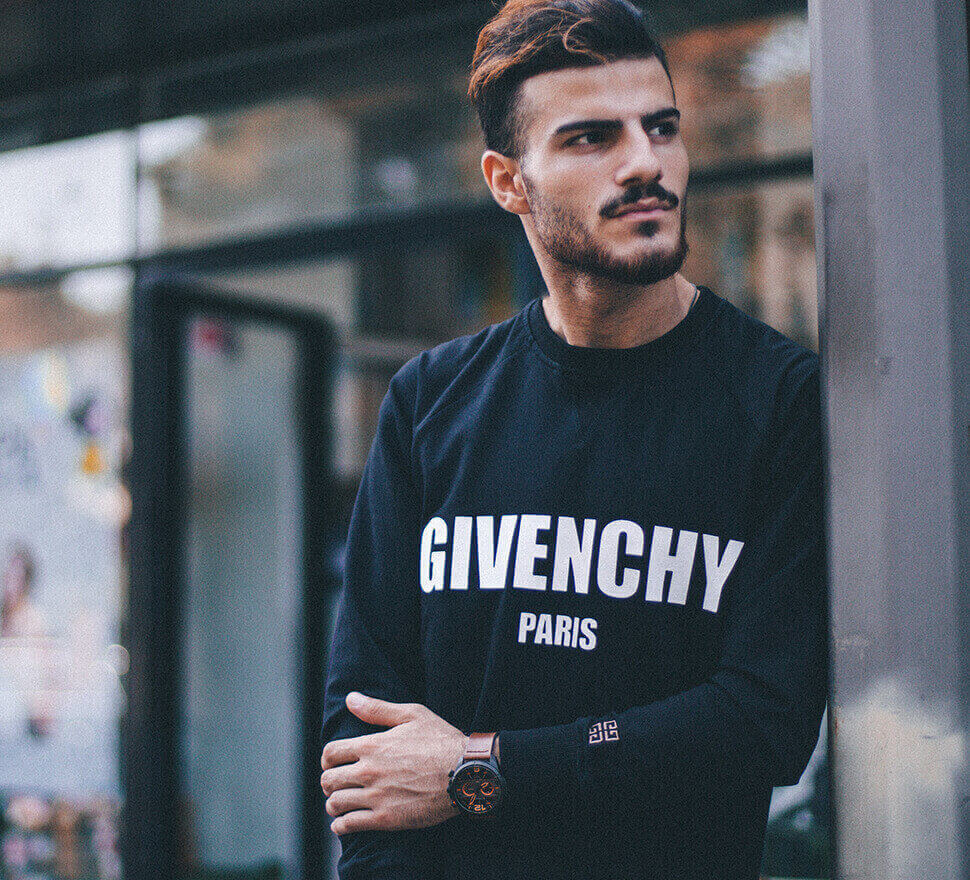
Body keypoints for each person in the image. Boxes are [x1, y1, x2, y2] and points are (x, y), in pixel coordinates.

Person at [319, 1, 827, 878]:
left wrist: (479, 770)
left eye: (661, 127)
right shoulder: (431, 402)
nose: (646, 163)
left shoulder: (778, 401)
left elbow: (761, 722)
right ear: (508, 181)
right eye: (592, 138)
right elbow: (365, 751)